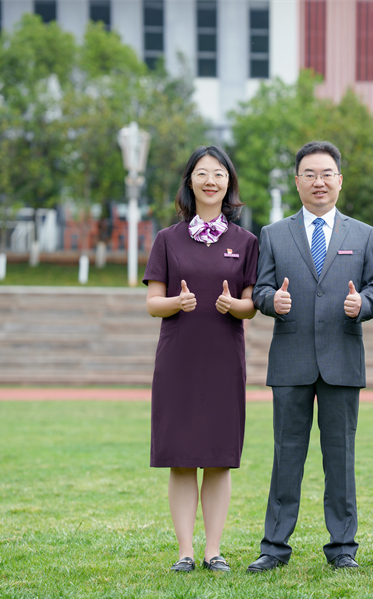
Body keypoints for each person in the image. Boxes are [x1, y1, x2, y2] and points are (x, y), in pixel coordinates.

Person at [248, 141, 373, 572]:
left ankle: (342, 547)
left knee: (340, 457)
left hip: (342, 359)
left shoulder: (362, 234)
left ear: (340, 180)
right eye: (309, 174)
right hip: (291, 361)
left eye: (326, 174)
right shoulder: (274, 233)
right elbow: (261, 289)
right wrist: (272, 302)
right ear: (297, 181)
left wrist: (362, 304)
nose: (318, 182)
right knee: (286, 455)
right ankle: (274, 546)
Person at [143, 145, 258, 573]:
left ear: (229, 184)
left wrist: (234, 305)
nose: (211, 181)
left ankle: (214, 550)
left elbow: (251, 305)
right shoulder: (167, 240)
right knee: (181, 457)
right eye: (203, 173)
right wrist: (177, 302)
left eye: (219, 174)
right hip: (179, 360)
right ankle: (185, 552)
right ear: (190, 182)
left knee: (218, 456)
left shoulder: (246, 242)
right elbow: (153, 303)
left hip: (224, 359)